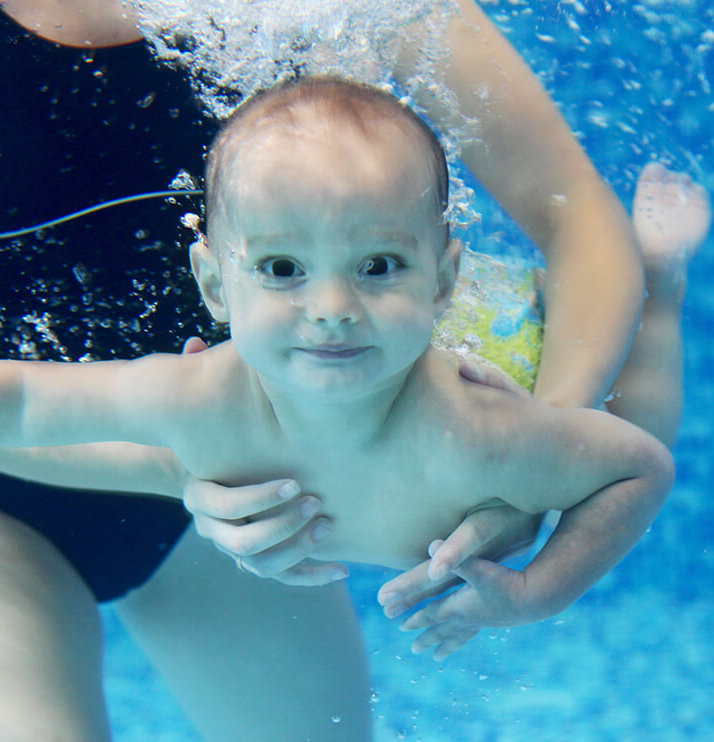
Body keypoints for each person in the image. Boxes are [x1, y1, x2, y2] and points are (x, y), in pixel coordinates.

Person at [0, 72, 679, 701]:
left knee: (637, 419)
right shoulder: (200, 393)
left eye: (377, 265)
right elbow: (30, 403)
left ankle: (663, 283)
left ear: (441, 281)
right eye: (282, 267)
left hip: (502, 341)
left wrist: (536, 591)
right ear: (213, 285)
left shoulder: (479, 433)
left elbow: (639, 470)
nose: (331, 306)